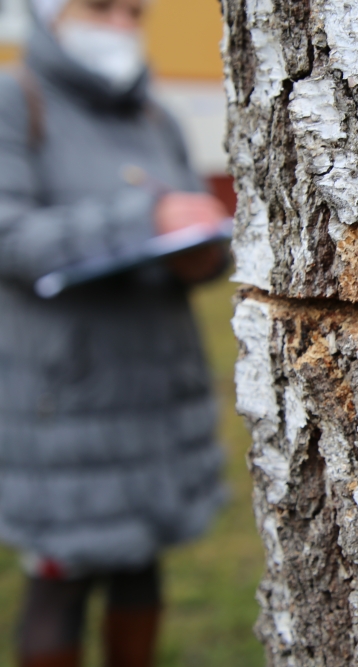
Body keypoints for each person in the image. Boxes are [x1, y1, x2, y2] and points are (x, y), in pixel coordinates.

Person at [0, 0, 229, 664]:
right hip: (64, 397)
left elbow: (189, 218)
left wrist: (203, 252)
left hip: (155, 384)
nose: (121, 25)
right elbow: (12, 237)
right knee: (62, 579)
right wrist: (140, 220)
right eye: (101, 7)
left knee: (140, 567)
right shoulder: (17, 101)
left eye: (134, 11)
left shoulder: (153, 114)